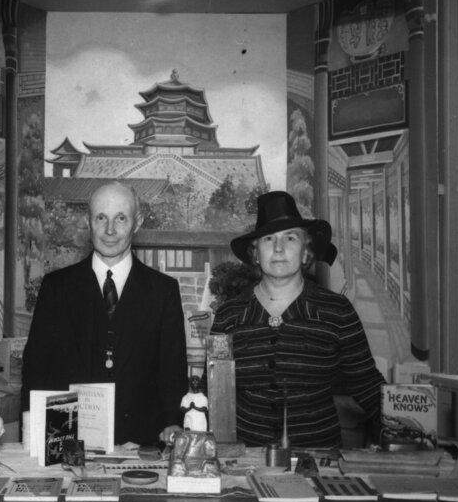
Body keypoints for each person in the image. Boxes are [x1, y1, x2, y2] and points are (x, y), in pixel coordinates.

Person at [210, 191, 385, 449]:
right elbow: (212, 390)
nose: (279, 248)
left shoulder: (336, 311)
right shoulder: (230, 315)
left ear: (306, 253)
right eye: (268, 239)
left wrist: (405, 431)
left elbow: (368, 386)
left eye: (290, 238)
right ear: (256, 254)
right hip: (245, 462)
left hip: (318, 461)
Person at [21, 181, 188, 446]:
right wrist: (35, 438)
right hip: (67, 444)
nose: (110, 230)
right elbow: (36, 369)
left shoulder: (163, 291)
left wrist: (172, 427)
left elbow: (173, 371)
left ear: (137, 222)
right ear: (88, 222)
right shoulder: (56, 288)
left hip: (142, 447)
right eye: (101, 218)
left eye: (121, 218)